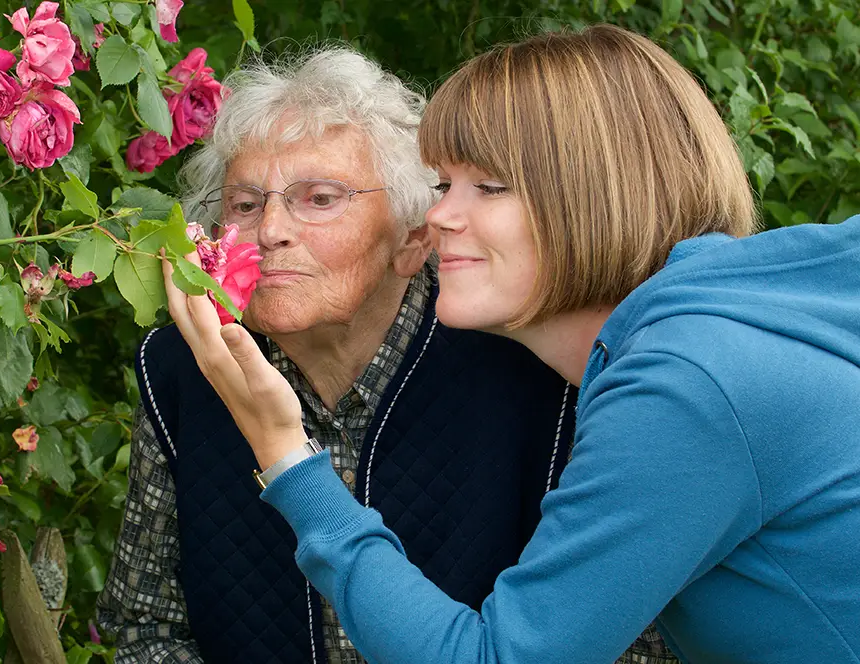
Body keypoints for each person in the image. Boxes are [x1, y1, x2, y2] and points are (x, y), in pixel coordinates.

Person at [163, 25, 860, 663]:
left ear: (589, 196)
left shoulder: (688, 383)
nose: (438, 214)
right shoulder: (706, 330)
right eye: (443, 184)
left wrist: (286, 455)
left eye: (486, 186)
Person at [98, 47, 579, 664]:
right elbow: (147, 629)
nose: (270, 229)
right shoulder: (181, 369)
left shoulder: (531, 366)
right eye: (244, 205)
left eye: (319, 198)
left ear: (412, 238)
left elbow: (616, 640)